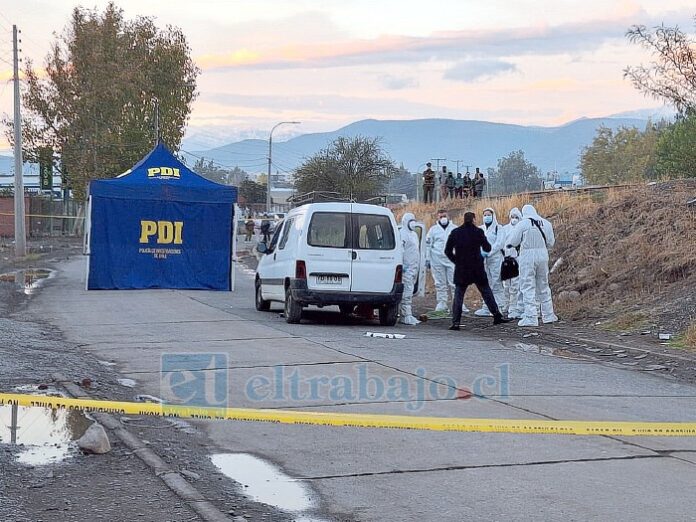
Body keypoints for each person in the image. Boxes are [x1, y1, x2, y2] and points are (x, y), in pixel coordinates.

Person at [445, 212, 509, 330]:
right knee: (486, 291)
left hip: (461, 268)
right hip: (477, 267)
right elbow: (487, 248)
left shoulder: (455, 232)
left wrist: (456, 261)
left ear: (464, 219)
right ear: (474, 219)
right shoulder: (478, 232)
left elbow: (447, 251)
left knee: (459, 295)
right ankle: (497, 315)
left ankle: (456, 322)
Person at [506, 204, 559, 327]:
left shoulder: (522, 224)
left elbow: (513, 241)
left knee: (527, 285)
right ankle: (548, 315)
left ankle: (531, 316)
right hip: (543, 255)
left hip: (527, 256)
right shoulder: (546, 223)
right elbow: (551, 242)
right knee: (543, 285)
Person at [425, 209, 469, 313]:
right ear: (437, 218)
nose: (443, 218)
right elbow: (428, 245)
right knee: (440, 283)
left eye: (444, 216)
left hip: (452, 260)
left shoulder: (455, 229)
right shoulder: (433, 230)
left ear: (448, 216)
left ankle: (459, 303)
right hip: (437, 259)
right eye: (440, 217)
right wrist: (427, 259)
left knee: (455, 282)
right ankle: (442, 303)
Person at [474, 207, 507, 317]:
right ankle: (486, 306)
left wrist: (489, 252)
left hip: (496, 259)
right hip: (483, 261)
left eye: (489, 215)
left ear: (493, 216)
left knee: (496, 283)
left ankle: (500, 307)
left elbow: (499, 243)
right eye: (485, 215)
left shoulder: (499, 228)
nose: (487, 217)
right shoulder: (480, 229)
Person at [399, 212, 421, 325]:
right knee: (406, 291)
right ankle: (405, 315)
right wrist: (402, 265)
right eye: (410, 220)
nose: (413, 222)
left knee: (410, 290)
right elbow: (401, 251)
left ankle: (407, 313)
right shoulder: (402, 234)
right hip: (406, 269)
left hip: (413, 268)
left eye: (414, 220)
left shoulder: (414, 235)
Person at [502, 207, 523, 319]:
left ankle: (513, 307)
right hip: (506, 259)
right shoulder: (505, 229)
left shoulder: (521, 229)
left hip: (516, 258)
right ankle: (505, 305)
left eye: (516, 217)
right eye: (512, 217)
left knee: (515, 285)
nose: (514, 219)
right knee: (506, 285)